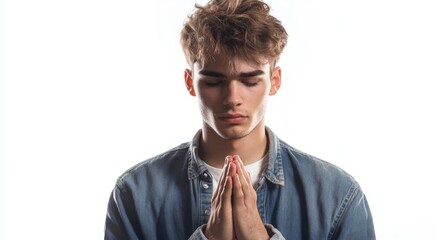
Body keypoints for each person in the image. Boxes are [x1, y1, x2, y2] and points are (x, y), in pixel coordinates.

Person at [104, 0, 376, 239]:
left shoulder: (339, 196)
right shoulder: (134, 195)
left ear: (274, 81)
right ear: (190, 83)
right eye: (213, 81)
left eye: (249, 80)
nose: (232, 97)